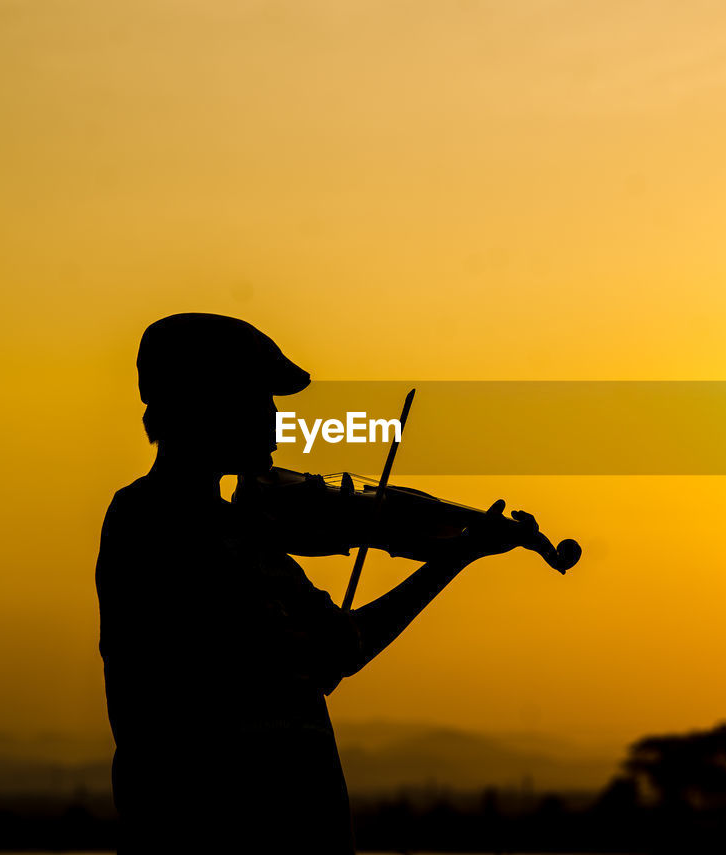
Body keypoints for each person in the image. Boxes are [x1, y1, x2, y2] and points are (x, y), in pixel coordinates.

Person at [95, 313, 547, 853]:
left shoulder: (233, 529)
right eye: (260, 399)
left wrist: (456, 554)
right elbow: (331, 651)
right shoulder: (160, 526)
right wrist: (454, 557)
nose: (273, 421)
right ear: (208, 402)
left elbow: (336, 644)